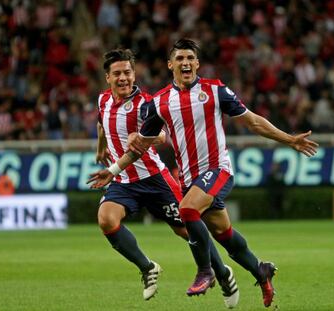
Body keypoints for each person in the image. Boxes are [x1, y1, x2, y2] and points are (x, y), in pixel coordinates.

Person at [88, 39, 318, 308]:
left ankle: (205, 271)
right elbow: (138, 146)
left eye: (190, 58)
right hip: (188, 180)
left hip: (217, 169)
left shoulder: (215, 90)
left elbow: (253, 121)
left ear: (197, 63)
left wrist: (289, 139)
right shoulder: (161, 101)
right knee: (225, 235)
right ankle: (260, 270)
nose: (186, 63)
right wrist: (113, 169)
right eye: (180, 58)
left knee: (187, 211)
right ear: (170, 64)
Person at [92, 48, 239, 307]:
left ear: (134, 74)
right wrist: (101, 146)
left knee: (187, 231)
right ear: (108, 78)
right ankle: (148, 267)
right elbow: (101, 124)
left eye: (127, 72)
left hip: (154, 180)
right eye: (118, 74)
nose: (123, 78)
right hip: (124, 181)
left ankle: (222, 272)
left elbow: (161, 135)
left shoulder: (146, 104)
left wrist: (146, 137)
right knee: (106, 219)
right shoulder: (103, 100)